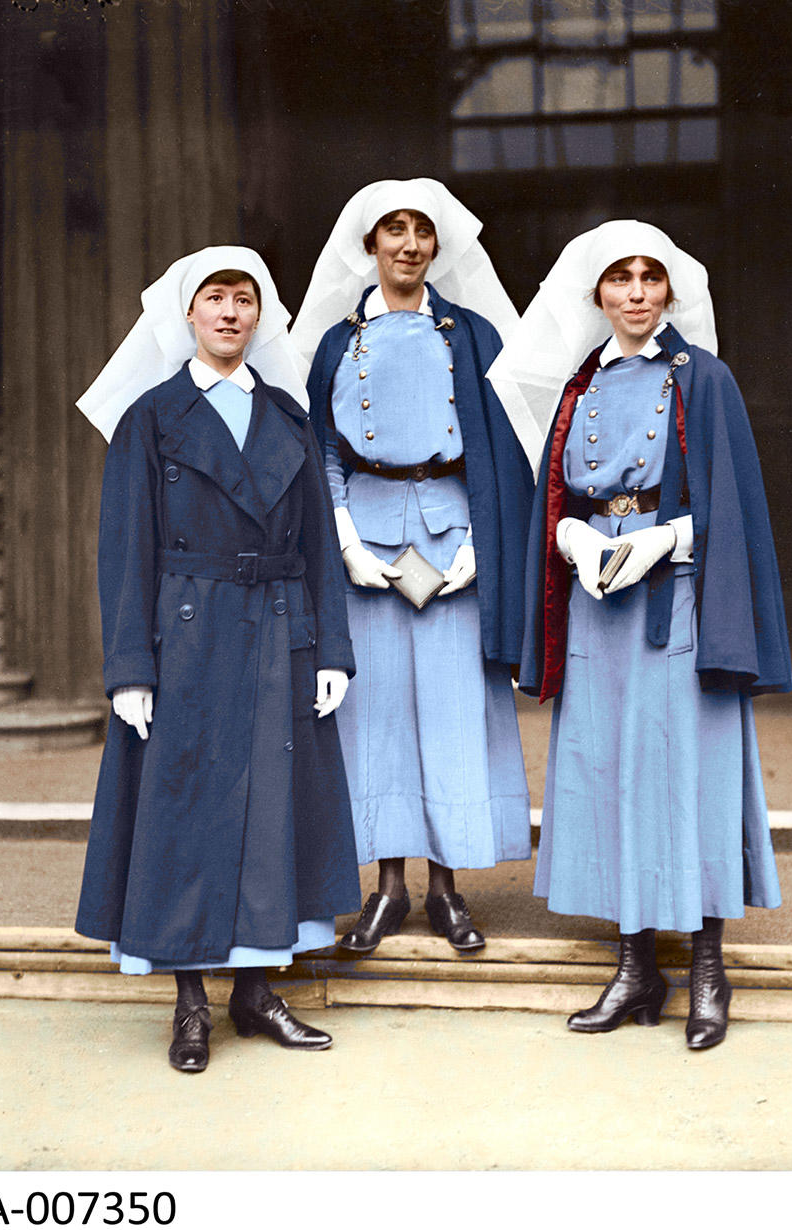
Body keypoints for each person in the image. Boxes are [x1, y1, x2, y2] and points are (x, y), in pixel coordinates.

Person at [489, 219, 791, 1049]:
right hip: (598, 606)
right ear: (596, 293)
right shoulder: (578, 387)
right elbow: (555, 502)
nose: (634, 294)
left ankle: (706, 972)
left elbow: (730, 505)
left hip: (678, 602)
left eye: (648, 279)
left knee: (687, 776)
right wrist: (576, 541)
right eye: (618, 279)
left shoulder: (704, 380)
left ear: (670, 291)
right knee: (610, 772)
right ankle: (633, 969)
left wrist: (666, 537)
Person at [75, 246, 362, 1073]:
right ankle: (191, 1002)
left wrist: (330, 649)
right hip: (188, 637)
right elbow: (124, 550)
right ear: (188, 316)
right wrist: (130, 664)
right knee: (190, 809)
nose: (232, 313)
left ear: (260, 316)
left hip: (279, 628)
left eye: (246, 300)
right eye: (215, 299)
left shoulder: (288, 416)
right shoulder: (152, 418)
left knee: (273, 809)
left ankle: (257, 990)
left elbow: (316, 548)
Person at [290, 179, 536, 955]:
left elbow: (502, 451)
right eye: (391, 230)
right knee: (378, 713)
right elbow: (321, 446)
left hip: (450, 529)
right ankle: (388, 888)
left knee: (456, 709)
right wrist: (345, 541)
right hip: (367, 533)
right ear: (368, 246)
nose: (407, 244)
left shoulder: (473, 333)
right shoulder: (338, 340)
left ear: (438, 246)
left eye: (421, 231)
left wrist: (476, 547)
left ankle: (448, 888)